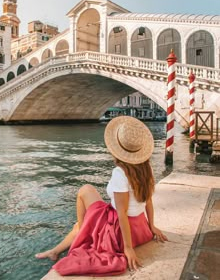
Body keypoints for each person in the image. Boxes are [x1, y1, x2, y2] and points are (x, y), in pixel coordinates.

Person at [36, 116, 168, 278]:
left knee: (85, 190)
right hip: (140, 229)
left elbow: (121, 213)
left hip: (121, 233)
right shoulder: (147, 169)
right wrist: (151, 226)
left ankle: (78, 234)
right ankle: (59, 247)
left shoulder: (120, 173)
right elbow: (148, 200)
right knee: (85, 219)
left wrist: (127, 248)